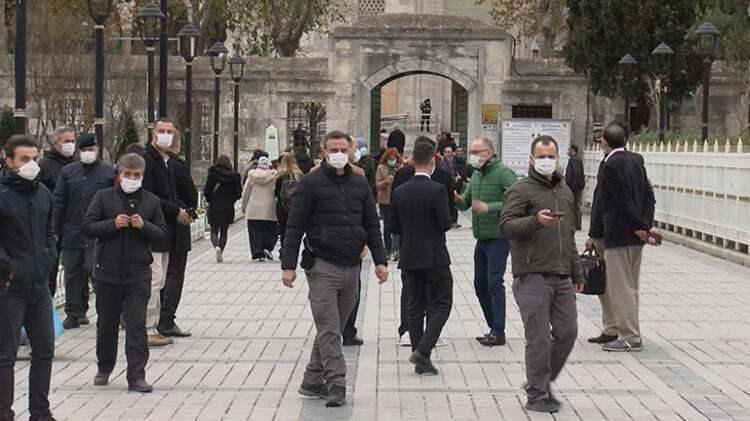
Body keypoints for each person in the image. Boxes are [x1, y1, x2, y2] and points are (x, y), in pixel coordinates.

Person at [281, 130, 388, 408]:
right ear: (324, 152)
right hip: (322, 265)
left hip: (352, 265)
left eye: (344, 149)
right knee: (328, 328)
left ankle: (311, 379)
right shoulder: (310, 183)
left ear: (351, 152)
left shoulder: (360, 183)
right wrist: (288, 266)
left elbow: (371, 224)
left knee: (334, 328)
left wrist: (380, 260)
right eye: (334, 149)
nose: (339, 154)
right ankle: (336, 383)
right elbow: (294, 226)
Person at [499, 135, 584, 413]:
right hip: (531, 273)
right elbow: (507, 226)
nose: (547, 161)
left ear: (558, 158)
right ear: (531, 159)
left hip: (560, 274)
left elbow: (568, 235)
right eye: (542, 156)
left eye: (551, 156)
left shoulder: (565, 191)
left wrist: (577, 271)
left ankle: (541, 381)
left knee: (568, 332)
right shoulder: (520, 190)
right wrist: (536, 221)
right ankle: (537, 394)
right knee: (539, 337)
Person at [82, 153, 167, 394]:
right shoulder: (104, 197)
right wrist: (111, 224)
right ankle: (105, 366)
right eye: (127, 174)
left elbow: (162, 234)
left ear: (142, 176)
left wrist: (144, 226)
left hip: (138, 273)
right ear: (119, 175)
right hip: (107, 272)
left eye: (136, 175)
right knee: (106, 325)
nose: (131, 179)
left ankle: (136, 375)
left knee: (136, 325)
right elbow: (87, 226)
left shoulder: (151, 202)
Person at [0, 135, 58, 421]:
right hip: (8, 287)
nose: (30, 164)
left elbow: (50, 231)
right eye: (24, 159)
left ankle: (41, 412)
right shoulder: (2, 195)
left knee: (44, 350)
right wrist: (7, 269)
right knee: (5, 355)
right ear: (8, 160)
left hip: (39, 285)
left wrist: (48, 259)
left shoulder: (43, 193)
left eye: (34, 158)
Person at [588, 122, 657, 352]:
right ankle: (615, 329)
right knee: (630, 285)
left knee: (620, 288)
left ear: (604, 142)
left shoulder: (610, 166)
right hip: (636, 236)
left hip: (617, 234)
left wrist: (638, 225)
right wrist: (644, 226)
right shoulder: (637, 161)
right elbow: (649, 197)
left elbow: (620, 202)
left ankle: (629, 336)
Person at [390, 139, 453, 375]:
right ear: (432, 160)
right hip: (435, 255)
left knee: (414, 305)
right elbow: (445, 223)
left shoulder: (399, 191)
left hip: (409, 254)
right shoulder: (437, 190)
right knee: (442, 302)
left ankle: (419, 356)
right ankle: (423, 350)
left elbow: (393, 226)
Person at [455, 137, 517, 347]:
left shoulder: (504, 173)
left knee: (493, 282)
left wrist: (489, 207)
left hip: (498, 237)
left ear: (489, 153)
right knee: (480, 284)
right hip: (481, 237)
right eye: (471, 151)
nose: (472, 155)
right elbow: (465, 204)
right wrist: (453, 196)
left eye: (476, 151)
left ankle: (499, 331)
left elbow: (516, 201)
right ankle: (493, 327)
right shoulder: (477, 175)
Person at [53, 133, 115, 329]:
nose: (89, 153)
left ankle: (107, 311)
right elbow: (58, 201)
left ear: (97, 150)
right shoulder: (69, 172)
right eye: (85, 150)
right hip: (72, 231)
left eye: (92, 149)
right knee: (72, 273)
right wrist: (54, 228)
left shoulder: (107, 173)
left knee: (95, 272)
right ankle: (74, 312)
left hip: (98, 232)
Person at [142, 118, 191, 347]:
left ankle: (153, 325)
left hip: (165, 227)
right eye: (161, 131)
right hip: (153, 227)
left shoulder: (166, 161)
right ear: (153, 133)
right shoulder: (148, 161)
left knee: (159, 280)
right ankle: (146, 328)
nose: (165, 135)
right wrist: (175, 210)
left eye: (169, 131)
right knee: (153, 280)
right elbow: (149, 194)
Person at [159, 130, 198, 339]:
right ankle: (166, 318)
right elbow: (191, 195)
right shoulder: (177, 166)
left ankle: (154, 316)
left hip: (155, 226)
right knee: (174, 273)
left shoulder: (152, 164)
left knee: (158, 273)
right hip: (176, 223)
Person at [39, 126, 76, 296]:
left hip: (73, 223)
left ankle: (77, 306)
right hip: (52, 223)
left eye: (73, 141)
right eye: (66, 141)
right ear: (56, 143)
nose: (70, 145)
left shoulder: (77, 164)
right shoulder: (45, 165)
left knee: (75, 267)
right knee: (51, 267)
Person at [204, 155, 242, 263]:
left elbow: (207, 190)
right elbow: (238, 193)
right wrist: (231, 199)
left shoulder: (212, 173)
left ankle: (216, 246)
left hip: (215, 204)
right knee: (224, 231)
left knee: (213, 230)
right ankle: (221, 249)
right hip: (228, 206)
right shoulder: (235, 176)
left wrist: (210, 198)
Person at [242, 156, 278, 262]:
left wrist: (244, 206)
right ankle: (267, 247)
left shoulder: (252, 176)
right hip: (269, 207)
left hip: (254, 208)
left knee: (254, 231)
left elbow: (246, 193)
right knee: (270, 229)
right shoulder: (274, 176)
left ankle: (258, 252)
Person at [375, 148, 403, 260]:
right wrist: (386, 181)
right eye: (390, 159)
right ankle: (387, 249)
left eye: (394, 159)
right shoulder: (381, 168)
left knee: (397, 225)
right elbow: (377, 186)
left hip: (397, 200)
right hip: (385, 201)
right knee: (387, 226)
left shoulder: (400, 168)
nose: (392, 161)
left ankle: (396, 250)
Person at [274, 153, 303, 257]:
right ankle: (292, 251)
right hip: (296, 206)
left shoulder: (280, 176)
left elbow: (276, 193)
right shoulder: (299, 176)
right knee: (293, 230)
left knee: (283, 230)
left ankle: (284, 251)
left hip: (282, 207)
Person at [565, 145, 585, 231]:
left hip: (575, 187)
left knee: (575, 206)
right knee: (576, 205)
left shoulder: (574, 160)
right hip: (577, 186)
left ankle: (576, 225)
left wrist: (572, 186)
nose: (568, 151)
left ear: (573, 150)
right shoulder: (576, 159)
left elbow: (576, 174)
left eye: (569, 150)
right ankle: (576, 224)